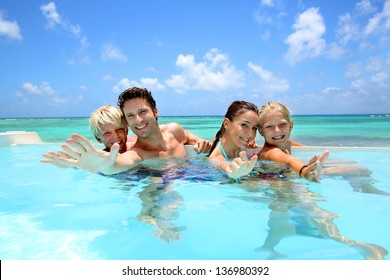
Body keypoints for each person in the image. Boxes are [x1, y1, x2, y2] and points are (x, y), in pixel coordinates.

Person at [43, 87, 211, 174]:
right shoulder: (138, 153)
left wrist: (200, 142)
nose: (138, 120)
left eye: (142, 112)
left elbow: (188, 136)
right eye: (130, 116)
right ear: (127, 122)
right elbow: (120, 163)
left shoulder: (174, 130)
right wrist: (102, 166)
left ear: (156, 112)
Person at [208, 100, 328, 181]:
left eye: (254, 128)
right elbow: (224, 165)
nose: (250, 134)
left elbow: (288, 143)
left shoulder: (239, 144)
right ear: (226, 124)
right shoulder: (217, 158)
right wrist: (233, 171)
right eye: (244, 125)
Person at [41, 105, 136, 168]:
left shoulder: (136, 149)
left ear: (126, 130)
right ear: (98, 138)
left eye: (119, 129)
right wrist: (72, 166)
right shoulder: (97, 157)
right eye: (107, 133)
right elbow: (86, 164)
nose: (116, 136)